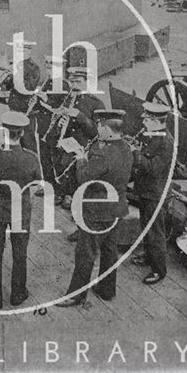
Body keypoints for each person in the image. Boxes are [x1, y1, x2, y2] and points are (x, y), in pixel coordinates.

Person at [56, 109, 133, 307]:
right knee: (109, 251)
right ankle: (107, 289)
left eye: (99, 125)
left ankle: (76, 295)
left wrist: (81, 158)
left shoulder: (102, 154)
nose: (97, 128)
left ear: (107, 128)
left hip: (97, 212)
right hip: (116, 208)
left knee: (85, 253)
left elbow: (83, 178)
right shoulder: (126, 147)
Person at [0, 111, 42, 309]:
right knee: (20, 253)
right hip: (20, 211)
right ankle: (18, 293)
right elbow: (36, 181)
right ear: (21, 133)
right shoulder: (31, 158)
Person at [49, 67, 105, 216]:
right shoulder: (69, 98)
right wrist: (60, 123)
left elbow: (98, 132)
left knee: (75, 170)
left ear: (87, 82)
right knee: (61, 163)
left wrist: (80, 116)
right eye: (72, 82)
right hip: (67, 141)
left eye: (78, 81)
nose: (74, 85)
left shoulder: (96, 104)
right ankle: (64, 192)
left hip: (83, 145)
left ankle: (73, 196)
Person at [131, 101, 173, 285]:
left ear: (156, 121)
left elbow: (153, 168)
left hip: (156, 194)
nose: (144, 123)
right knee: (146, 226)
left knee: (156, 233)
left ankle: (159, 269)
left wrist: (135, 154)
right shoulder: (154, 135)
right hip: (147, 191)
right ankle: (148, 256)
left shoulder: (165, 142)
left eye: (147, 120)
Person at [32, 55, 70, 197]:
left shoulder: (64, 85)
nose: (49, 71)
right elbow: (40, 104)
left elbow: (60, 106)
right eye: (48, 68)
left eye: (52, 68)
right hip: (43, 127)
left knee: (57, 161)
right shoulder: (47, 83)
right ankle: (48, 185)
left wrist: (45, 99)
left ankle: (60, 191)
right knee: (45, 160)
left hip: (54, 129)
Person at [6, 41, 41, 153]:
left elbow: (29, 87)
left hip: (26, 109)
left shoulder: (34, 67)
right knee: (13, 139)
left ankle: (31, 165)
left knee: (28, 140)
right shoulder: (16, 65)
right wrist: (7, 77)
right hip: (14, 106)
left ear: (29, 51)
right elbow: (8, 86)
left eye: (24, 50)